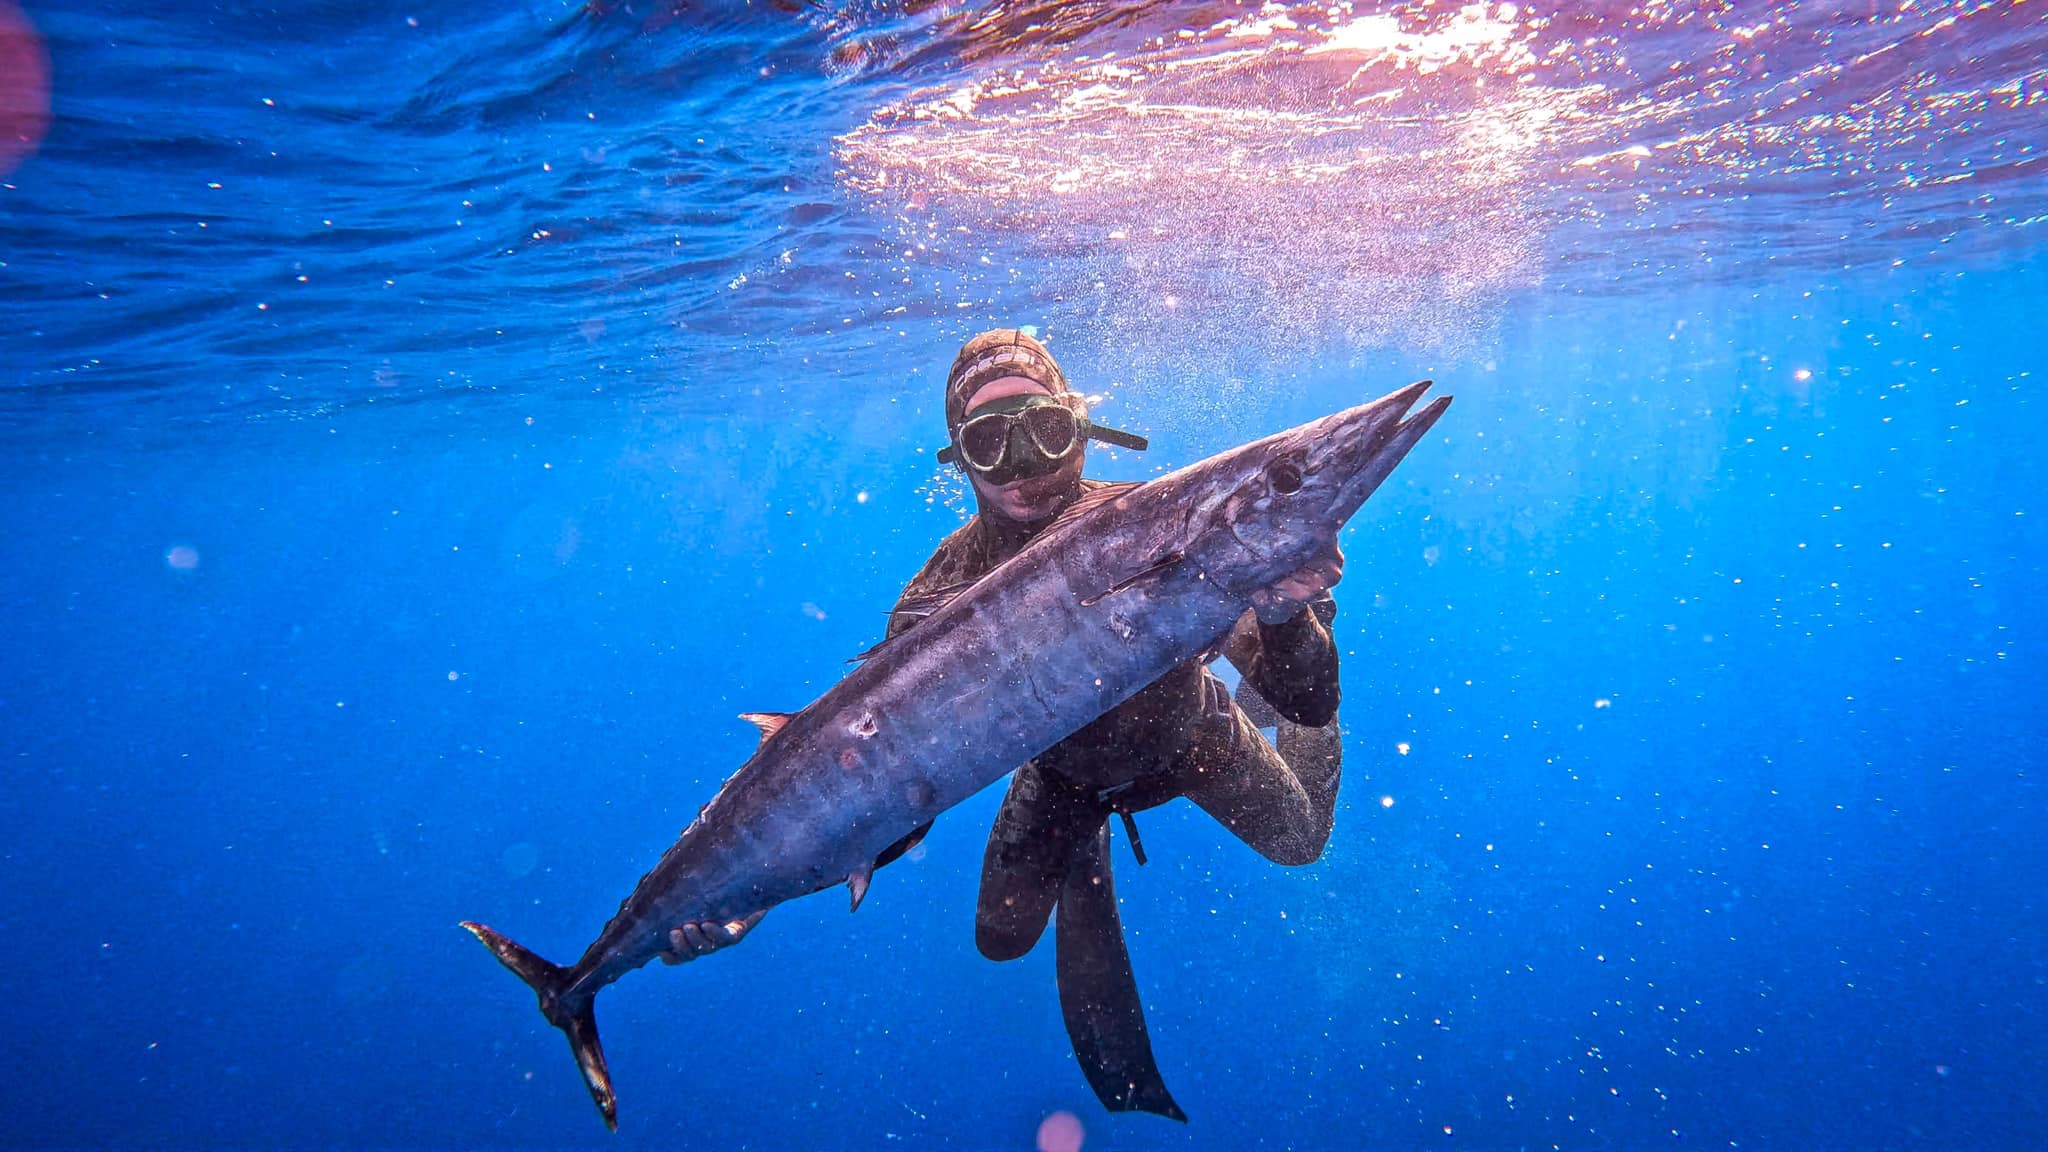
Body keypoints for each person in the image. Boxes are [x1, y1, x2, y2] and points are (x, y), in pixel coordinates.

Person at [661, 329, 1346, 1119]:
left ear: (1077, 426)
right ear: (962, 459)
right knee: (1001, 938)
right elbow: (895, 795)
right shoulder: (937, 597)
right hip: (1061, 775)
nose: (1023, 466)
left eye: (1045, 430)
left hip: (1189, 733)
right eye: (991, 443)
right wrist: (749, 898)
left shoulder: (1167, 520)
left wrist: (1289, 616)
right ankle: (1085, 837)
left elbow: (1305, 701)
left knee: (1300, 840)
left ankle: (1311, 638)